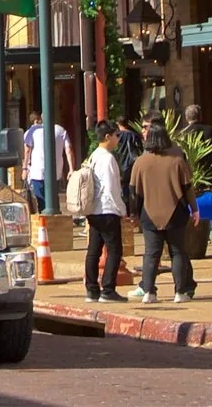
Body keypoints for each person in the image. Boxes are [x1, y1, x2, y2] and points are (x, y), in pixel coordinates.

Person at [128, 125, 196, 304]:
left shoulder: (140, 162)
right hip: (176, 212)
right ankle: (180, 292)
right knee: (178, 252)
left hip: (149, 213)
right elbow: (187, 188)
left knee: (151, 253)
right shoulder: (177, 160)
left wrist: (134, 213)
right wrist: (194, 209)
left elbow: (133, 192)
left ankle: (149, 292)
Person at [81, 121, 127, 303]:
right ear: (107, 137)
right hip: (107, 210)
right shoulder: (107, 158)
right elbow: (110, 188)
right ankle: (108, 289)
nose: (117, 139)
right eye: (116, 136)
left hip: (93, 210)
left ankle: (92, 290)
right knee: (115, 250)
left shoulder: (93, 156)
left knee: (93, 251)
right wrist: (121, 209)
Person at [20, 112, 74, 212]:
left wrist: (24, 169)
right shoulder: (61, 130)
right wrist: (71, 169)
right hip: (56, 172)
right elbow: (69, 150)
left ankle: (44, 223)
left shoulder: (33, 130)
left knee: (41, 201)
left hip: (38, 172)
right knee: (54, 198)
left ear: (41, 118)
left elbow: (27, 151)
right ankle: (55, 221)